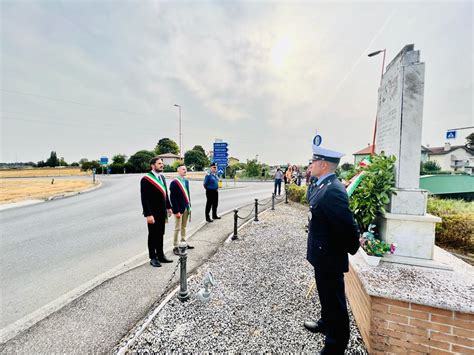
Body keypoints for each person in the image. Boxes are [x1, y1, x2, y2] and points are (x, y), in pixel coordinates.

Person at [304, 143, 360, 354]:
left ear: (323, 164)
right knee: (325, 295)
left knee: (335, 301)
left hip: (329, 256)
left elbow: (347, 226)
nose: (310, 165)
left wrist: (353, 248)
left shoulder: (333, 190)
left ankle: (335, 345)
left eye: (313, 162)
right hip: (321, 254)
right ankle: (326, 323)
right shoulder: (322, 184)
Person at [140, 157, 173, 267]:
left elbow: (165, 194)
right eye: (159, 163)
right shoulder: (146, 179)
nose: (162, 165)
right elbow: (144, 199)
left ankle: (160, 255)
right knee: (153, 235)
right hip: (152, 213)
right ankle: (153, 257)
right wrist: (148, 214)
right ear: (152, 165)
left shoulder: (162, 177)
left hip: (162, 212)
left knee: (160, 234)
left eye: (162, 163)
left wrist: (169, 207)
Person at [170, 164, 194, 255]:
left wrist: (189, 206)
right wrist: (176, 211)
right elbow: (173, 198)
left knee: (184, 227)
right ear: (178, 170)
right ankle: (175, 246)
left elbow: (187, 194)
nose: (185, 170)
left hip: (186, 207)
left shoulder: (186, 181)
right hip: (179, 209)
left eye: (186, 169)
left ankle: (183, 242)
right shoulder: (174, 182)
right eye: (183, 169)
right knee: (177, 228)